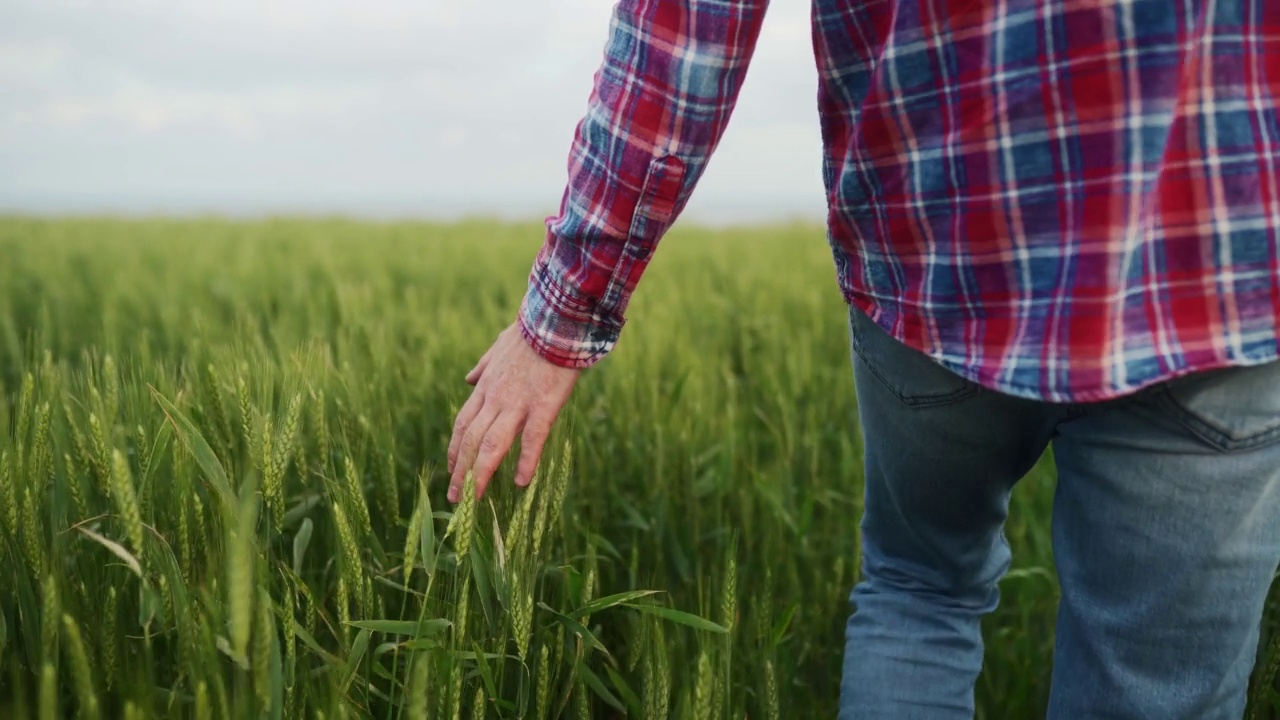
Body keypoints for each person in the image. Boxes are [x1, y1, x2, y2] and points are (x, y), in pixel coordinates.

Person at [446, 0, 1280, 716]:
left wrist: (560, 319)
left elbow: (685, 34)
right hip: (1216, 272)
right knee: (1152, 681)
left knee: (920, 593)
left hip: (936, 259)